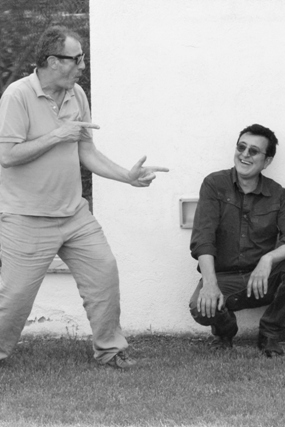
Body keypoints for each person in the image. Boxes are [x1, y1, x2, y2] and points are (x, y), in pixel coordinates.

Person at [0, 26, 169, 368]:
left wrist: (127, 177)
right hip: (26, 216)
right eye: (76, 59)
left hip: (74, 214)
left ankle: (111, 349)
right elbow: (8, 156)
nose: (82, 65)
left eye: (83, 58)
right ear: (53, 61)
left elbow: (86, 151)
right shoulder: (17, 96)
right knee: (15, 297)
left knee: (104, 274)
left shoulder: (76, 94)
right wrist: (57, 134)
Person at [189, 124, 285, 357]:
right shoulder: (214, 185)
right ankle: (225, 332)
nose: (244, 155)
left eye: (254, 151)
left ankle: (270, 330)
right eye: (241, 147)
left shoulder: (278, 194)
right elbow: (203, 238)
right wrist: (209, 283)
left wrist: (268, 259)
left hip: (263, 280)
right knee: (199, 307)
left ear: (267, 161)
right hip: (225, 279)